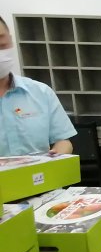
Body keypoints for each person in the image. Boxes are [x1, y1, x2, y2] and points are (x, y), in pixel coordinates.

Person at [0, 16, 76, 156]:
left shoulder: (41, 92)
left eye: (1, 42)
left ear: (10, 39)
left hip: (41, 170)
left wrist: (57, 155)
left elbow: (63, 141)